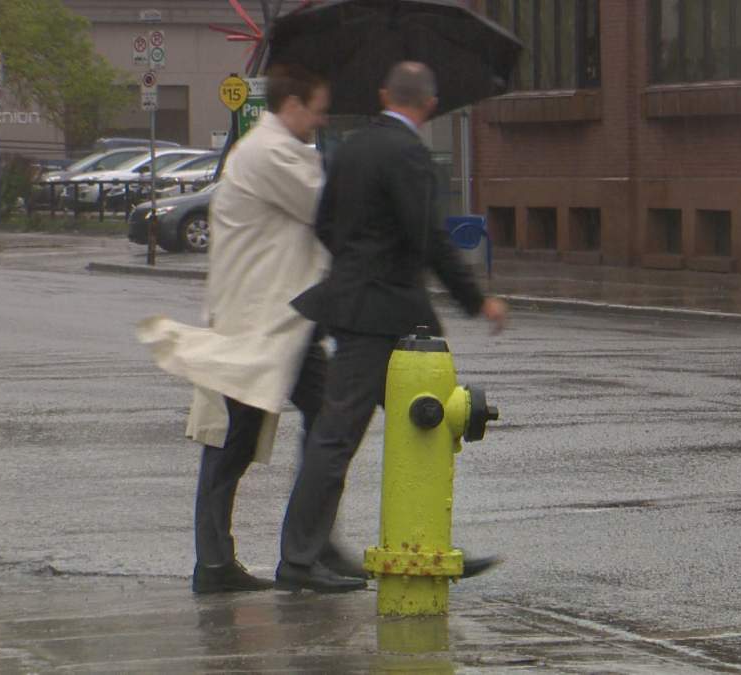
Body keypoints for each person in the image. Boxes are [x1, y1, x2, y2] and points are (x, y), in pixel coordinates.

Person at [276, 61, 508, 593]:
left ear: (385, 94)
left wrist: (358, 267)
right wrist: (478, 301)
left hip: (359, 304)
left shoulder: (352, 145)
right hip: (387, 316)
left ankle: (422, 543)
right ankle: (298, 559)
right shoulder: (409, 154)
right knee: (341, 437)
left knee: (421, 424)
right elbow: (428, 237)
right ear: (429, 105)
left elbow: (325, 222)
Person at [137, 64, 361, 594]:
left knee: (325, 423)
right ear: (293, 105)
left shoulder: (275, 152)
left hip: (283, 317)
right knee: (238, 439)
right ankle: (233, 560)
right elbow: (329, 207)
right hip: (259, 323)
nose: (324, 116)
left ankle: (303, 547)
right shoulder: (271, 153)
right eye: (319, 106)